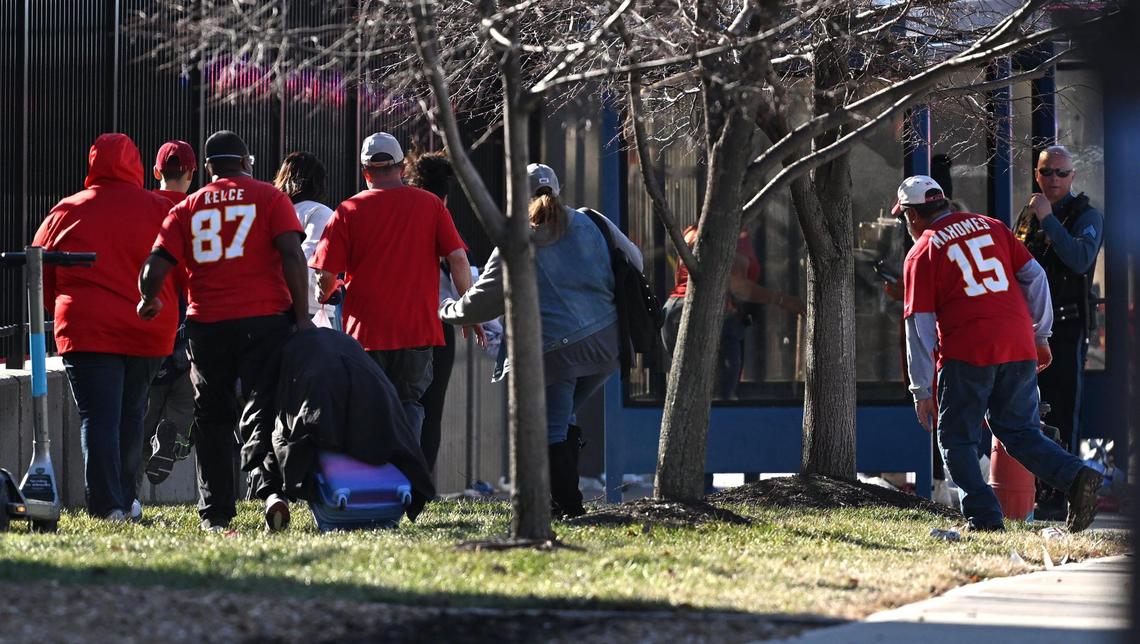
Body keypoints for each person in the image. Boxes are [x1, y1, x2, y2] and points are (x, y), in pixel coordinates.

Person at [897, 174, 1102, 532]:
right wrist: (1041, 335)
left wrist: (921, 390)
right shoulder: (991, 226)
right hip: (1018, 344)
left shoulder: (922, 251)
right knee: (1020, 432)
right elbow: (1035, 277)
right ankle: (1076, 476)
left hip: (967, 352)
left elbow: (920, 326)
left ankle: (984, 518)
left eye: (906, 218)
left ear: (913, 216)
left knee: (956, 439)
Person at [439, 163, 642, 518]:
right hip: (607, 345)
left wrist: (447, 309)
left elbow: (483, 301)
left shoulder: (517, 240)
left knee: (550, 429)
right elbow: (635, 260)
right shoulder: (592, 220)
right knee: (560, 419)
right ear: (558, 190)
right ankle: (558, 501)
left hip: (555, 352)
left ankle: (568, 507)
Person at [137, 130, 312, 533]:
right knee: (262, 407)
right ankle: (269, 490)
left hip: (208, 324)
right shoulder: (271, 198)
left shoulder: (187, 208)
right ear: (247, 161)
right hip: (265, 320)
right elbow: (291, 254)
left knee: (212, 416)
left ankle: (215, 514)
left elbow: (155, 265)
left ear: (209, 168)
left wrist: (148, 299)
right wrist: (301, 318)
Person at [32, 133, 180, 521]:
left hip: (87, 329)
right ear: (136, 165)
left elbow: (39, 272)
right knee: (133, 412)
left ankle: (107, 503)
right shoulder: (158, 208)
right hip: (147, 328)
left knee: (97, 417)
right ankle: (127, 496)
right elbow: (179, 266)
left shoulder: (66, 211)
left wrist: (62, 311)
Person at [311, 132, 475, 445]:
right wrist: (469, 306)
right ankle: (406, 473)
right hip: (417, 330)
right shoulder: (431, 205)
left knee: (366, 404)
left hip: (365, 334)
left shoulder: (347, 211)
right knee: (409, 404)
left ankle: (374, 479)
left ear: (365, 172)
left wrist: (324, 294)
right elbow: (457, 258)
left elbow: (327, 275)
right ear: (401, 168)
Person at [1014, 145, 1105, 519]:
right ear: (1037, 174)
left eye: (1061, 174)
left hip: (1065, 328)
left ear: (1073, 177)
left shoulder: (1086, 215)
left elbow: (1081, 259)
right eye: (1047, 172)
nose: (1054, 180)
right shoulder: (1030, 212)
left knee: (1064, 409)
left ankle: (1062, 492)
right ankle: (1034, 488)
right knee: (1030, 409)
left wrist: (1049, 219)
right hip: (1028, 326)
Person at [661, 226, 803, 399]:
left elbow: (680, 278)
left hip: (672, 311)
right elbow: (737, 286)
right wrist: (781, 300)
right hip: (709, 314)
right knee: (720, 394)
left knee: (687, 389)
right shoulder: (730, 235)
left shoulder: (691, 233)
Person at [141, 141, 198, 488]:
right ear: (192, 173)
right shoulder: (196, 211)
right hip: (187, 324)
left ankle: (126, 499)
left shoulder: (141, 207)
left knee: (140, 414)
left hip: (148, 320)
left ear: (156, 172)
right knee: (185, 403)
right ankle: (173, 438)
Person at [405, 149, 462, 472]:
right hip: (438, 321)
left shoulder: (400, 214)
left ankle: (393, 477)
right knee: (431, 407)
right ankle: (422, 478)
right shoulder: (439, 216)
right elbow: (458, 263)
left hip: (394, 318)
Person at [273, 151, 335, 324]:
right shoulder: (320, 212)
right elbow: (310, 260)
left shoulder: (275, 212)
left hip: (275, 307)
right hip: (312, 310)